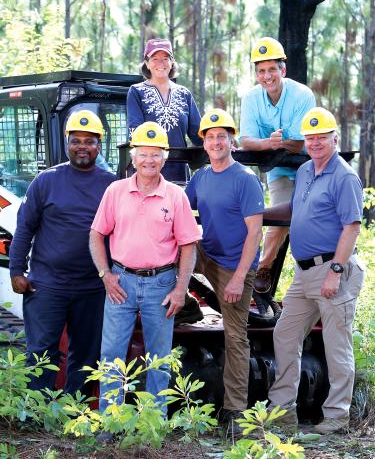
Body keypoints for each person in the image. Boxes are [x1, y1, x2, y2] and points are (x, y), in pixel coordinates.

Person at [89, 121, 201, 411]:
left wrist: (181, 290)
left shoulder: (176, 196)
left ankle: (153, 421)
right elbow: (96, 234)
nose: (149, 160)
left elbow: (188, 244)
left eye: (155, 154)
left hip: (161, 284)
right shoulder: (115, 192)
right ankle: (109, 419)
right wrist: (105, 275)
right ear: (133, 157)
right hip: (120, 282)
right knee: (112, 353)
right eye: (143, 154)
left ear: (164, 158)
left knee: (159, 357)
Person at [266, 107, 365, 434]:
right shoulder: (307, 170)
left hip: (332, 270)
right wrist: (257, 213)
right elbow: (294, 210)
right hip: (303, 274)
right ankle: (282, 414)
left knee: (337, 345)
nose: (316, 143)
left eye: (322, 137)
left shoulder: (345, 177)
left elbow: (351, 227)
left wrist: (336, 270)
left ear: (335, 138)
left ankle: (336, 419)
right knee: (284, 333)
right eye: (310, 138)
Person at [9, 110, 116, 394]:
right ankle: (37, 413)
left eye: (89, 141)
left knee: (86, 354)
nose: (82, 146)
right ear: (67, 143)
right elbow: (24, 228)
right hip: (47, 285)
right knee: (41, 352)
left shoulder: (112, 185)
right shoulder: (46, 181)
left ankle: (74, 412)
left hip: (92, 287)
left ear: (99, 146)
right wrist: (16, 270)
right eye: (76, 140)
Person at [185, 109, 264, 436]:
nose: (216, 142)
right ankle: (183, 303)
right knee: (175, 244)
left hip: (235, 264)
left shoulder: (245, 179)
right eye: (210, 137)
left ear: (231, 140)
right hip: (207, 253)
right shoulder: (201, 177)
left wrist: (237, 277)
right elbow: (178, 210)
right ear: (204, 143)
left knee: (235, 335)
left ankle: (235, 410)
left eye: (222, 136)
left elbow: (255, 233)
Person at [240, 36, 316, 294]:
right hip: (281, 170)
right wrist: (269, 143)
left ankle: (306, 275)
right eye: (261, 71)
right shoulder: (251, 98)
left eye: (272, 69)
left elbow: (298, 142)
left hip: (311, 167)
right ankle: (263, 268)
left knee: (312, 219)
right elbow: (246, 141)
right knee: (282, 217)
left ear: (283, 70)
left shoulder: (302, 95)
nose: (267, 76)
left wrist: (275, 143)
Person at [127, 37, 203, 183]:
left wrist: (221, 141)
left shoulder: (184, 93)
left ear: (171, 63)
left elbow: (198, 134)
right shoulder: (136, 92)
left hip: (179, 172)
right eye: (155, 58)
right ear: (147, 63)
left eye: (165, 58)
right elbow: (135, 133)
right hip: (147, 172)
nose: (160, 63)